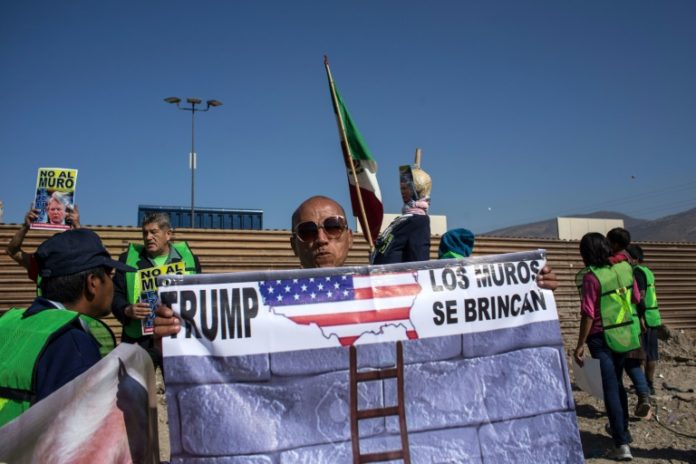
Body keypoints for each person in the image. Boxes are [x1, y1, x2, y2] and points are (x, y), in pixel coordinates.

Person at [154, 195, 559, 336]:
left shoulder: (400, 292)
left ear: (349, 237)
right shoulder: (262, 303)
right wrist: (175, 329)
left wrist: (526, 288)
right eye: (309, 231)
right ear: (293, 243)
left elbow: (463, 321)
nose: (322, 238)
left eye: (332, 226)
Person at [0, 229, 134, 427]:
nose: (112, 284)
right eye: (109, 274)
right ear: (93, 283)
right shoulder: (72, 343)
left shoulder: (9, 321)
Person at [573, 232, 642, 461]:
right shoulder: (625, 269)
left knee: (610, 387)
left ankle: (621, 444)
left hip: (600, 338)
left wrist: (580, 344)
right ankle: (622, 431)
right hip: (622, 333)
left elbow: (588, 314)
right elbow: (636, 299)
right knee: (618, 383)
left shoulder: (592, 278)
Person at [111, 212, 200, 365]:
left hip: (176, 338)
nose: (148, 237)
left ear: (168, 234)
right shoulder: (127, 260)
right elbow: (114, 294)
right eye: (144, 233)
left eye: (154, 232)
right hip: (139, 339)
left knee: (178, 388)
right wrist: (127, 310)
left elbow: (199, 295)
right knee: (136, 388)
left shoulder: (189, 260)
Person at [607, 227, 652, 419]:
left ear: (615, 244)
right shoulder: (630, 268)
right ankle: (644, 396)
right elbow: (636, 297)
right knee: (633, 364)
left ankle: (620, 417)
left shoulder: (612, 267)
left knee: (615, 372)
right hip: (633, 323)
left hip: (618, 327)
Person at [371, 165, 432, 264]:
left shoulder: (419, 221)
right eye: (401, 188)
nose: (402, 192)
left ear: (416, 189)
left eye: (405, 188)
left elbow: (419, 262)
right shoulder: (404, 219)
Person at [5, 204, 81, 283]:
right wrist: (77, 227)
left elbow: (13, 251)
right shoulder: (41, 264)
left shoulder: (41, 264)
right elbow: (12, 251)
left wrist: (25, 227)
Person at [626, 244, 662, 396]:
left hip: (645, 317)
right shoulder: (648, 271)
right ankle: (649, 384)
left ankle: (644, 385)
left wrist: (640, 317)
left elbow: (640, 296)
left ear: (634, 259)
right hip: (653, 316)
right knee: (651, 353)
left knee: (643, 353)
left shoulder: (637, 272)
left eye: (627, 257)